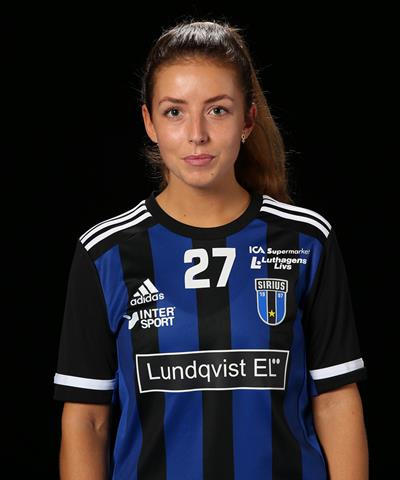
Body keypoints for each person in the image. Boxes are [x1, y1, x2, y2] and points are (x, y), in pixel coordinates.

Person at [53, 19, 368, 479]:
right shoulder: (105, 254)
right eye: (174, 112)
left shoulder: (306, 241)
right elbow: (88, 420)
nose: (196, 133)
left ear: (248, 120)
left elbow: (337, 401)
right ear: (149, 123)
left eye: (218, 110)